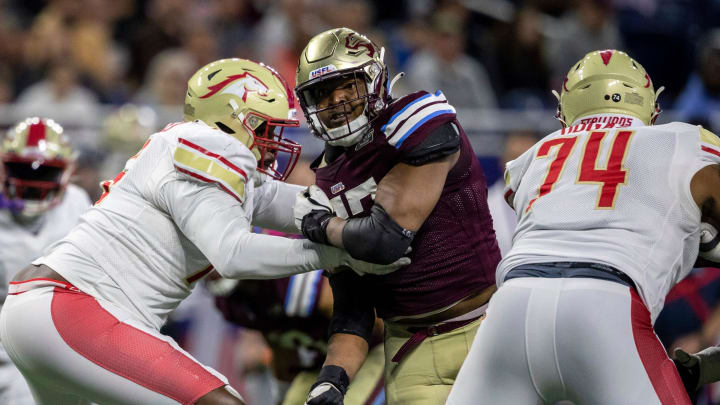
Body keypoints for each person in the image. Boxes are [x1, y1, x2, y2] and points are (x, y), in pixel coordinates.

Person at [0, 58, 405, 405]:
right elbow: (231, 254)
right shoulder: (207, 143)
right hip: (74, 308)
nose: (273, 142)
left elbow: (300, 205)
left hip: (45, 311)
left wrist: (373, 209)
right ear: (231, 120)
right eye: (266, 127)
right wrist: (340, 250)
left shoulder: (204, 158)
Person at [445, 49, 720, 404]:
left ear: (564, 110)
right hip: (606, 307)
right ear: (651, 106)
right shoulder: (684, 140)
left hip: (510, 310)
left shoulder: (534, 155)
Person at [292, 28, 500, 405]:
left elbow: (385, 240)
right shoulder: (326, 179)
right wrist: (332, 380)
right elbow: (353, 307)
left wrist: (322, 225)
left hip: (487, 328)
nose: (336, 101)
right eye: (322, 93)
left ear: (374, 81)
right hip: (410, 349)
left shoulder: (418, 121)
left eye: (347, 86)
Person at [0, 117, 91, 404]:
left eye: (44, 173)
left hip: (68, 344)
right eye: (21, 169)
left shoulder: (76, 202)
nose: (31, 182)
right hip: (8, 351)